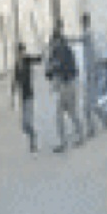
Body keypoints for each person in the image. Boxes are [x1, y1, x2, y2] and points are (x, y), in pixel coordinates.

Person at [46, 22, 82, 153]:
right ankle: (77, 136)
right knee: (70, 113)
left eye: (53, 42)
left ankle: (67, 141)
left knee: (63, 114)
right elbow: (51, 73)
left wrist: (51, 68)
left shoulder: (60, 52)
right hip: (68, 85)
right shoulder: (64, 50)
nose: (52, 44)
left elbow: (56, 70)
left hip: (66, 85)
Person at [12, 43, 41, 152]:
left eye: (22, 51)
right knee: (24, 126)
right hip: (22, 97)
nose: (21, 54)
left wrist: (42, 54)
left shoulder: (27, 60)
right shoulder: (17, 64)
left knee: (28, 121)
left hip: (29, 95)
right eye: (19, 52)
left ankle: (33, 143)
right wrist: (13, 94)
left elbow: (37, 59)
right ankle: (33, 136)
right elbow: (15, 80)